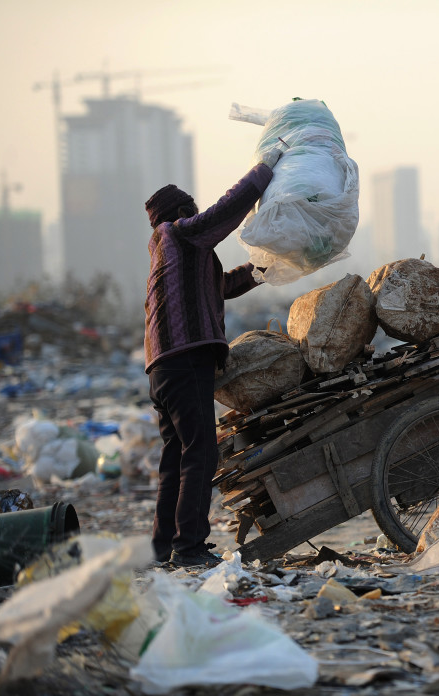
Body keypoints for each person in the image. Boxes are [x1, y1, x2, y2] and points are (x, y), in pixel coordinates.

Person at [144, 146, 283, 567]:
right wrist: (265, 170)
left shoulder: (171, 251)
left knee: (177, 459)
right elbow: (226, 211)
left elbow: (220, 286)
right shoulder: (179, 234)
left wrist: (265, 269)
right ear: (181, 211)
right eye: (191, 208)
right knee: (202, 452)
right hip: (186, 360)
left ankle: (163, 548)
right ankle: (188, 548)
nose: (196, 212)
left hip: (163, 368)